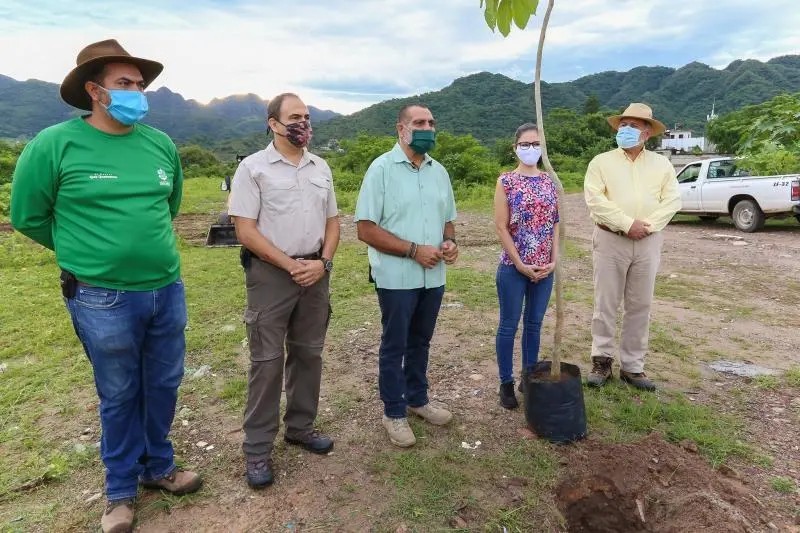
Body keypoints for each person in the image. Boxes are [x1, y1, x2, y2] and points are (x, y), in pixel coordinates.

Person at [9, 39, 201, 533]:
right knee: (118, 393)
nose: (138, 92)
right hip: (100, 297)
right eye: (125, 84)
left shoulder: (160, 144)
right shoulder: (54, 145)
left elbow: (169, 206)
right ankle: (119, 490)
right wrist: (85, 252)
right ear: (95, 91)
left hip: (166, 288)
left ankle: (159, 468)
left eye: (140, 84)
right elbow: (28, 217)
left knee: (162, 384)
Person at [228, 93, 340, 489]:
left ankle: (300, 427)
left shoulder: (320, 166)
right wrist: (291, 264)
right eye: (294, 117)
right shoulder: (254, 169)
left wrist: (322, 263)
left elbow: (333, 223)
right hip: (272, 275)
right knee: (268, 361)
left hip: (315, 273)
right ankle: (257, 449)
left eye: (306, 117)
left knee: (309, 354)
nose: (303, 124)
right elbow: (245, 230)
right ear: (273, 124)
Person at [354, 104, 458, 448]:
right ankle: (394, 412)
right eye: (419, 123)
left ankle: (418, 399)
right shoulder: (381, 169)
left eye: (431, 121)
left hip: (434, 276)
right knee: (394, 344)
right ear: (401, 129)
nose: (427, 127)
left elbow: (447, 220)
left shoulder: (439, 172)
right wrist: (414, 250)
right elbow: (366, 229)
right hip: (396, 277)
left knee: (421, 341)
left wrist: (450, 243)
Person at [584, 103, 681, 391]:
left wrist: (646, 226)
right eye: (623, 125)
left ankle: (633, 367)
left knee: (641, 304)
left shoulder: (661, 164)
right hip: (610, 239)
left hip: (648, 241)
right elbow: (594, 200)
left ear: (647, 132)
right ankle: (601, 360)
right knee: (606, 302)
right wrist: (627, 224)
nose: (626, 130)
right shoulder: (601, 162)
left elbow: (672, 200)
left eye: (634, 126)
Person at [493, 123, 559, 409]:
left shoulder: (550, 181)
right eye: (526, 144)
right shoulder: (506, 181)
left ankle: (528, 377)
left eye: (536, 144)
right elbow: (501, 226)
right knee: (509, 325)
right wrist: (519, 263)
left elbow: (555, 225)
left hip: (544, 270)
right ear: (515, 147)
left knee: (534, 324)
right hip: (513, 267)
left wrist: (554, 261)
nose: (531, 149)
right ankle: (505, 383)